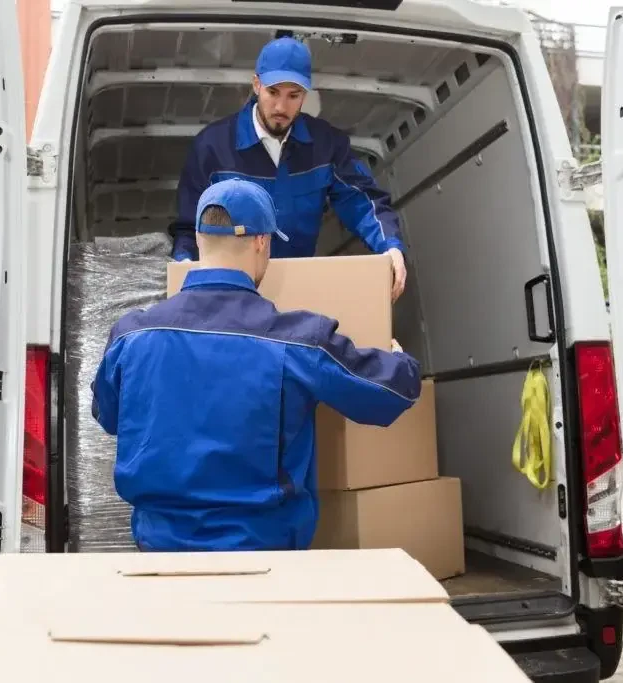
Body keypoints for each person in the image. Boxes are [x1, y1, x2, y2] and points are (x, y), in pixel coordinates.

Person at [92, 178, 421, 552]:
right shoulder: (298, 339)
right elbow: (389, 394)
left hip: (157, 548)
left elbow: (107, 414)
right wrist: (399, 358)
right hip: (263, 553)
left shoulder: (129, 336)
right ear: (262, 242)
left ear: (199, 240)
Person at [168, 36, 408, 301]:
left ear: (305, 94)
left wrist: (391, 248)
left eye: (293, 96)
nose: (281, 107)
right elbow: (189, 227)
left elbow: (363, 202)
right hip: (229, 293)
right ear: (256, 84)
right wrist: (184, 267)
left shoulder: (326, 146)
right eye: (273, 92)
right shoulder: (212, 147)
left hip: (298, 286)